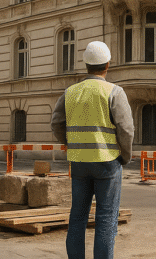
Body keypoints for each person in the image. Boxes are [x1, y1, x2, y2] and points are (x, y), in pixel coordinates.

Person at [51, 40, 134, 259]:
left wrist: (72, 144)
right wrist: (124, 156)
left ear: (86, 65)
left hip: (78, 162)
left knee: (77, 217)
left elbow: (56, 122)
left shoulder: (70, 92)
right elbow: (126, 130)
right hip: (107, 162)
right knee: (106, 219)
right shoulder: (114, 92)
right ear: (108, 64)